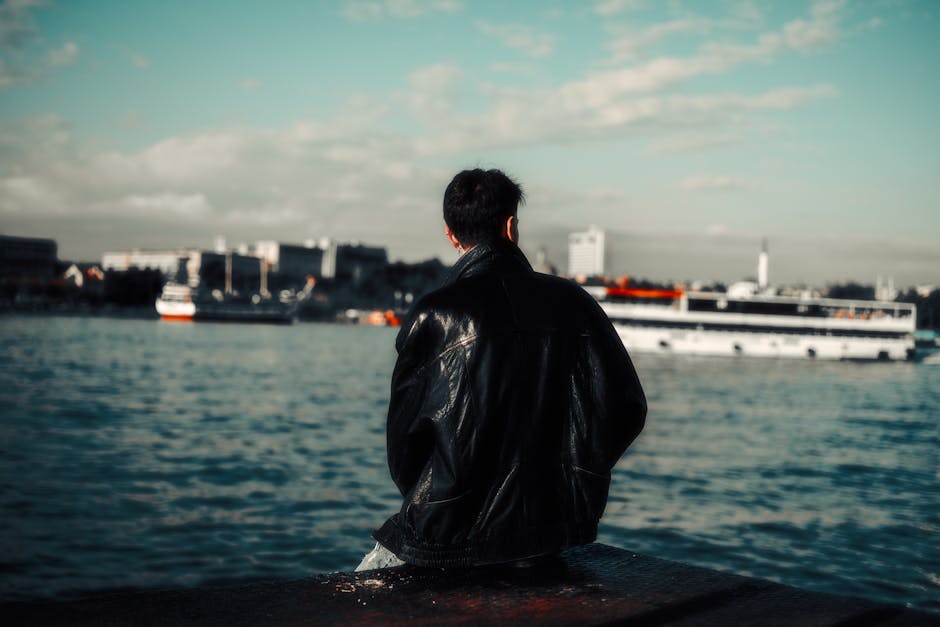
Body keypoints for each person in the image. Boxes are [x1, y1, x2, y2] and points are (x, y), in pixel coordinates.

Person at [357, 168, 646, 571]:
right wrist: (575, 478)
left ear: (451, 235)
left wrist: (446, 496)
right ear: (511, 227)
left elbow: (403, 449)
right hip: (551, 532)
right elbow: (627, 407)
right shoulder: (574, 303)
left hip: (445, 534)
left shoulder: (434, 314)